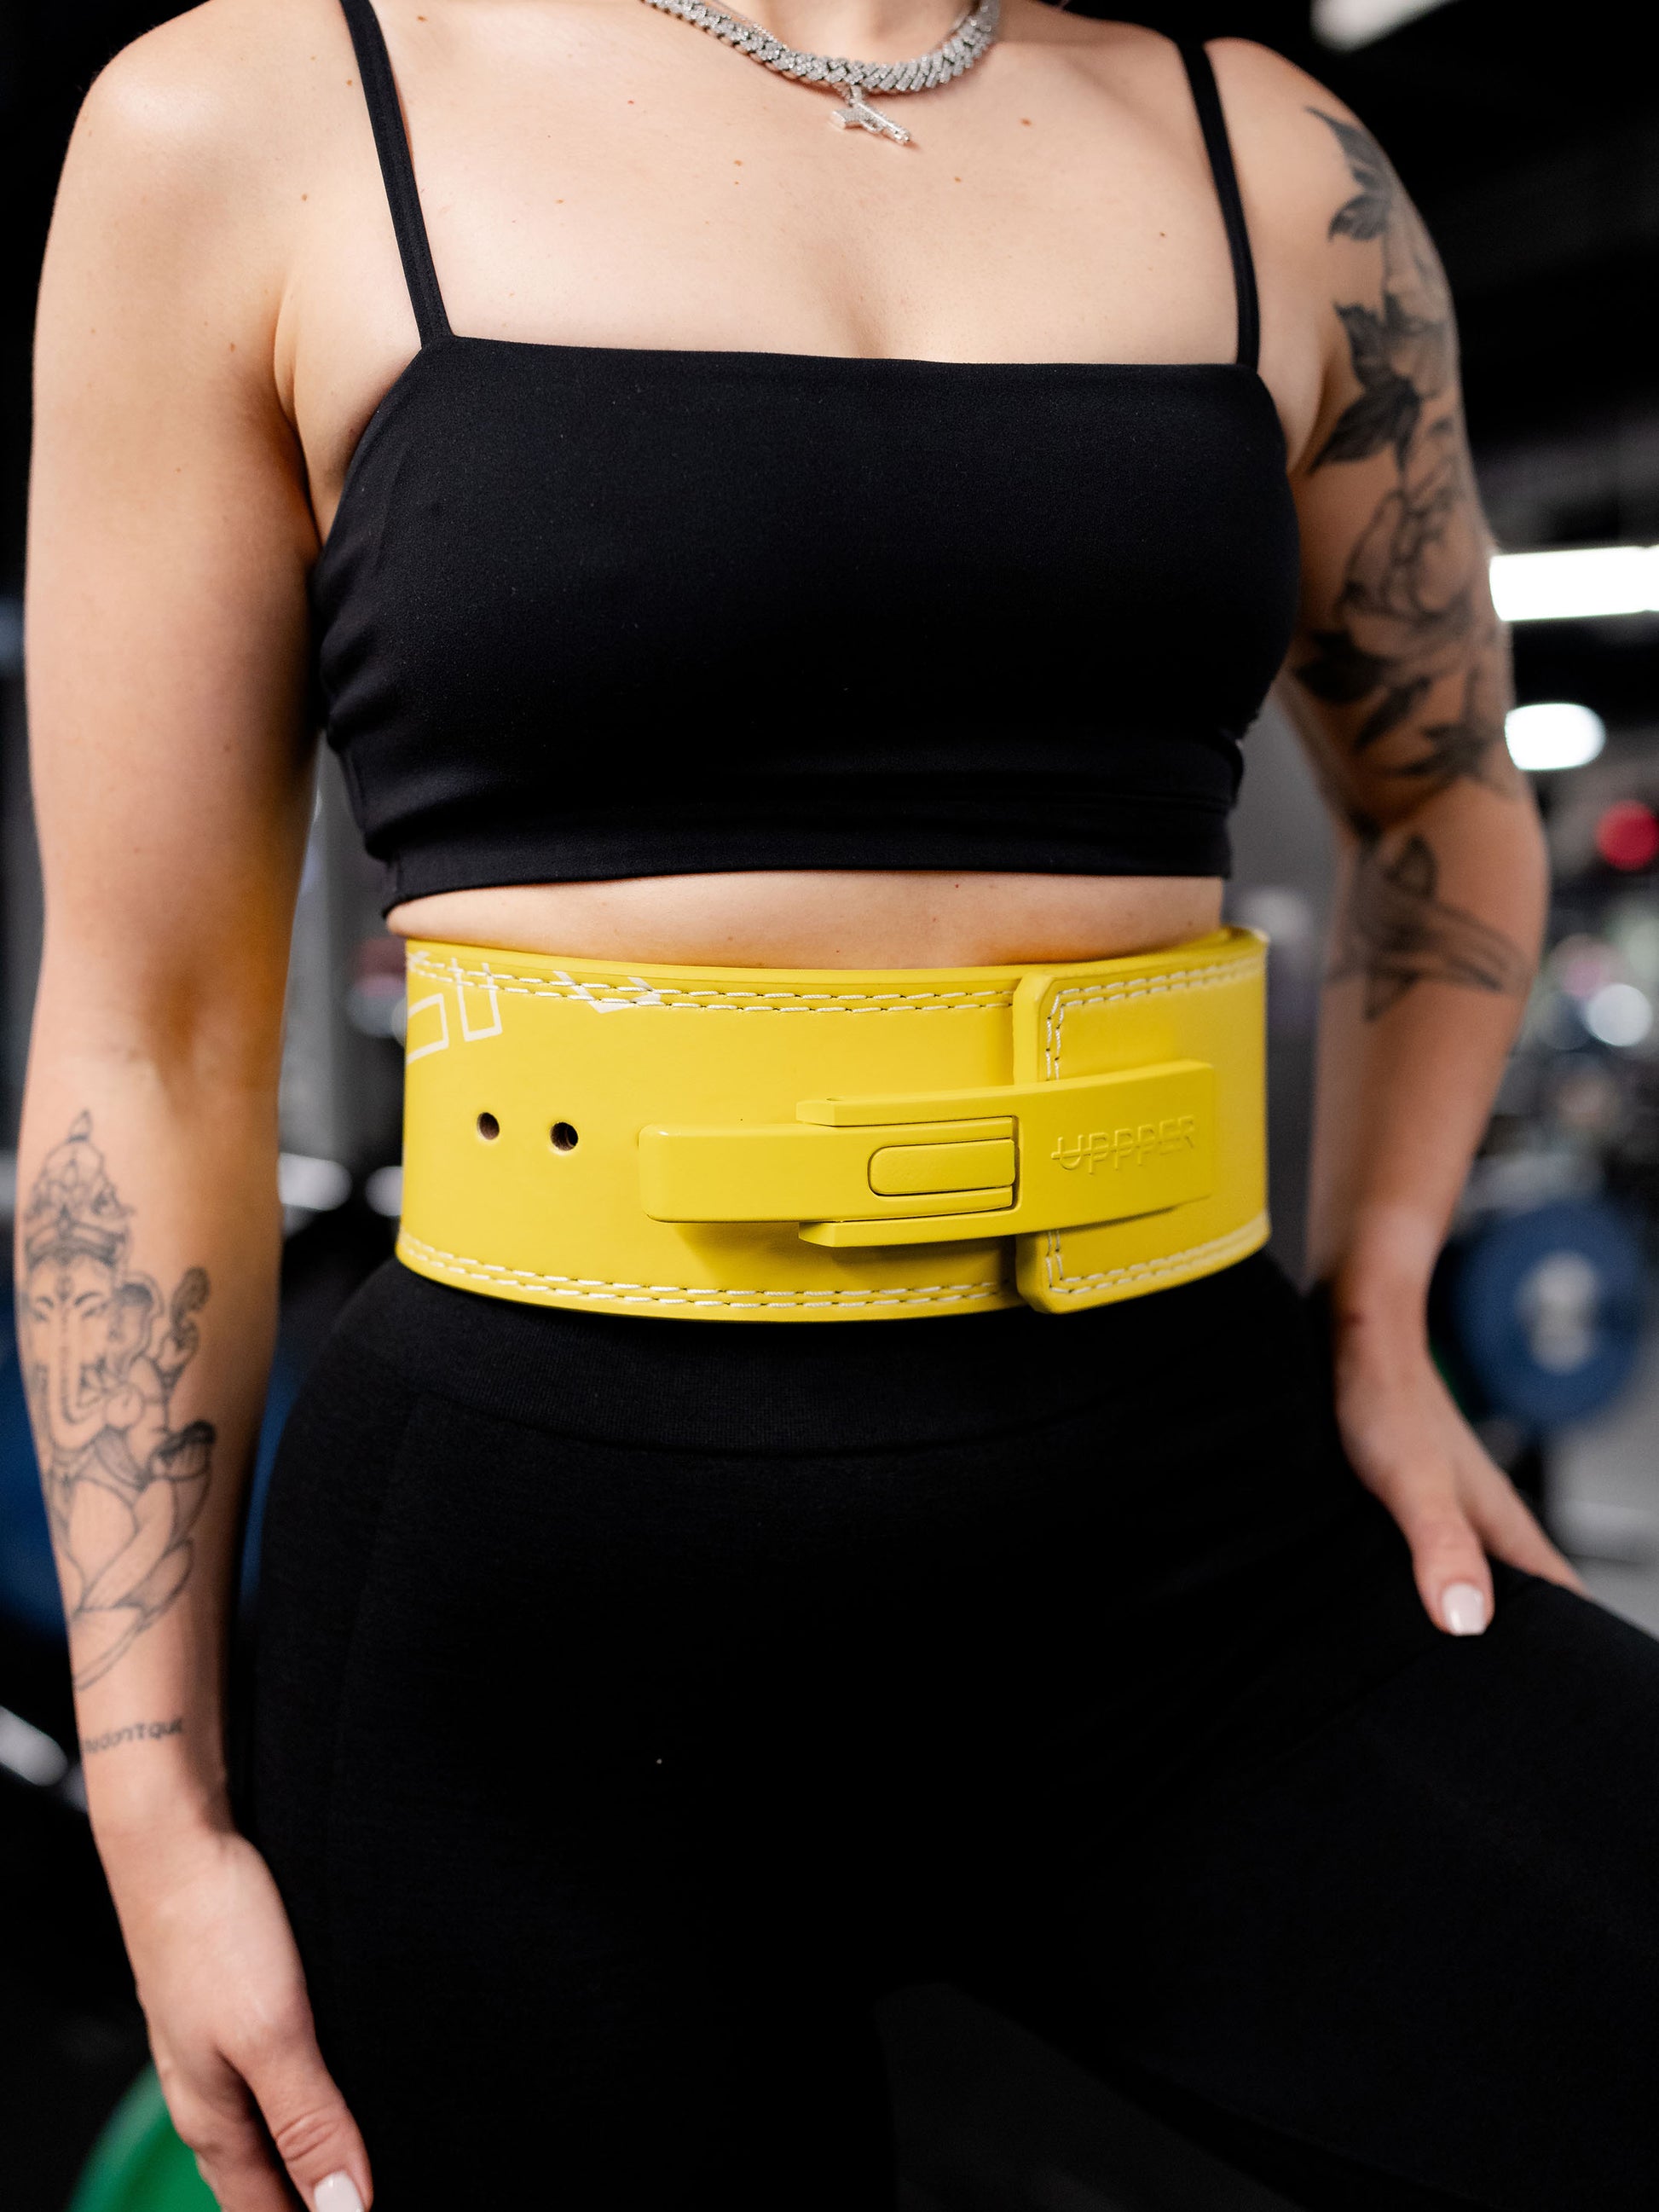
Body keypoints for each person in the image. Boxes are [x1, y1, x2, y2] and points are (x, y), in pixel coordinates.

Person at [20, 0, 1659, 2205]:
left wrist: (1376, 1298)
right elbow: (153, 1039)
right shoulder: (251, 119)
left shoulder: (1273, 158)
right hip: (534, 1610)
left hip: (1196, 1518)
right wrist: (151, 1797)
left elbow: (1446, 800)